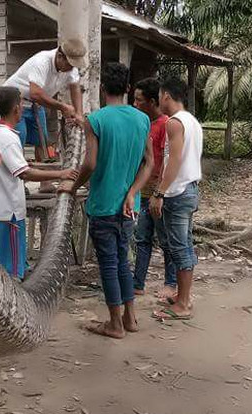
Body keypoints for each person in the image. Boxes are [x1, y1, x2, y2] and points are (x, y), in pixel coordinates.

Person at [60, 63, 154, 339]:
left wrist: (75, 185)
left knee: (109, 264)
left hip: (103, 204)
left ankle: (114, 323)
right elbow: (149, 163)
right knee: (123, 261)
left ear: (103, 89)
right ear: (127, 88)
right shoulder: (141, 119)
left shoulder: (96, 120)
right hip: (129, 206)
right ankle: (130, 317)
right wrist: (133, 192)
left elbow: (89, 162)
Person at [0, 86, 78, 280]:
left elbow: (9, 165)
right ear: (16, 108)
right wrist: (61, 173)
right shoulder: (7, 138)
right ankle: (15, 293)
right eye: (21, 105)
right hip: (8, 208)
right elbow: (24, 173)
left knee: (7, 257)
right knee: (12, 267)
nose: (23, 109)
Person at [150, 77, 203, 320]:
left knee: (179, 247)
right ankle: (183, 296)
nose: (158, 100)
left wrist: (160, 192)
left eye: (160, 95)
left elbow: (175, 161)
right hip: (189, 188)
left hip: (178, 192)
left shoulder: (174, 123)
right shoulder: (192, 121)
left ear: (166, 96)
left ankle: (183, 304)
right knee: (184, 244)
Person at [3, 38, 86, 193]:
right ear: (60, 56)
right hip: (15, 102)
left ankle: (45, 182)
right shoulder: (42, 61)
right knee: (17, 141)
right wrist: (62, 106)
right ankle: (18, 184)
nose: (70, 69)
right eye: (68, 64)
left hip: (37, 104)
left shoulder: (70, 68)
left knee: (42, 142)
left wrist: (79, 113)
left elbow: (75, 87)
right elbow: (35, 93)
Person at [131, 78, 177, 298]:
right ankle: (137, 283)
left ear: (151, 102)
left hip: (159, 194)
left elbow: (167, 161)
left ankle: (171, 283)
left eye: (139, 100)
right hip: (143, 191)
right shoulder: (142, 123)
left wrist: (159, 193)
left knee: (165, 240)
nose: (135, 104)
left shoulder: (166, 124)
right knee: (142, 238)